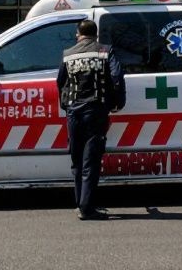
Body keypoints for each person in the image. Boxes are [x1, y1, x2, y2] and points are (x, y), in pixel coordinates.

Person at [56, 19, 125, 221]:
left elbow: (60, 82)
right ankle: (87, 208)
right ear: (96, 35)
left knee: (77, 160)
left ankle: (81, 203)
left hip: (73, 112)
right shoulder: (105, 51)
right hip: (95, 111)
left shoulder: (68, 54)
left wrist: (66, 106)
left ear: (78, 34)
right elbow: (117, 77)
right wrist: (117, 103)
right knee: (91, 160)